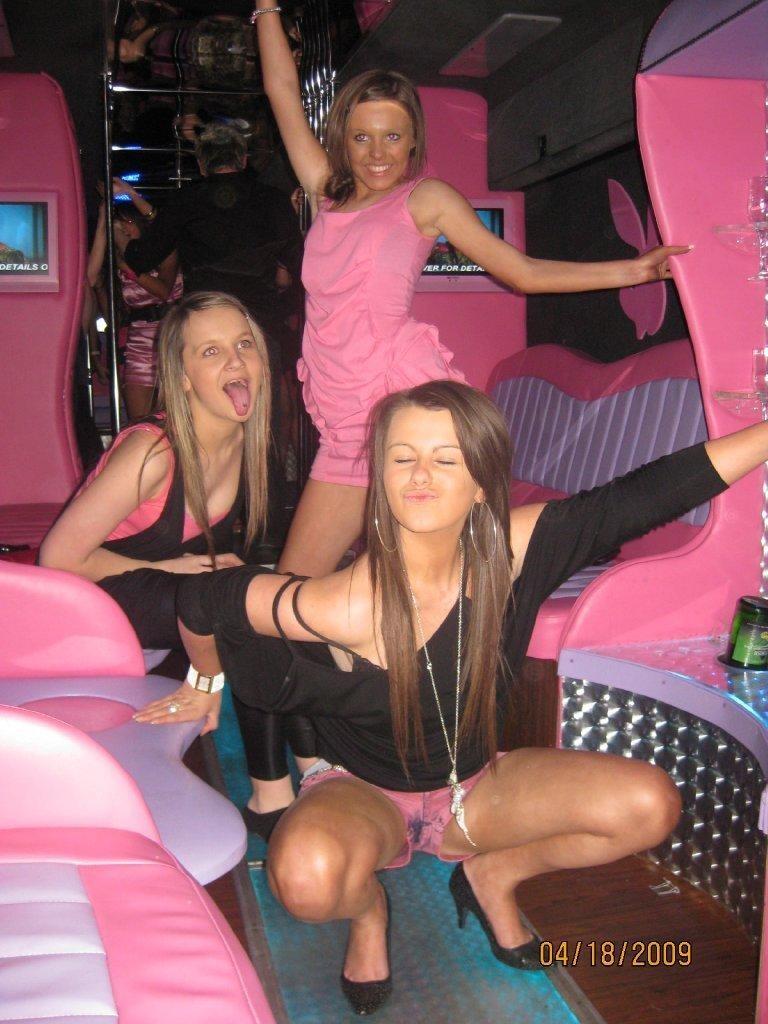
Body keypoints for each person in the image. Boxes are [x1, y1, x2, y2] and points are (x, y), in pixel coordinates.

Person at [135, 378, 765, 1015]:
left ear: (482, 481)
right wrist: (205, 682)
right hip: (363, 793)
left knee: (650, 806)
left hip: (475, 786)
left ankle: (492, 875)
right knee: (303, 881)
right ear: (380, 474)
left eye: (446, 458)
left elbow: (650, 494)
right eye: (402, 456)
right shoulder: (340, 603)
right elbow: (204, 601)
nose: (420, 475)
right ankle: (369, 912)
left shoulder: (512, 550)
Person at [232, 1, 690, 825]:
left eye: (393, 137)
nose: (378, 152)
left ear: (414, 142)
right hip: (342, 429)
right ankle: (328, 752)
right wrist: (267, 8)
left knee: (388, 599)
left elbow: (522, 272)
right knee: (301, 604)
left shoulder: (428, 200)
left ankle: (401, 763)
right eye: (362, 137)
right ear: (344, 142)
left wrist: (636, 270)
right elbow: (280, 92)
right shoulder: (326, 196)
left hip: (400, 426)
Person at [89, 180, 183, 421]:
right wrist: (103, 218)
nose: (124, 230)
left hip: (173, 335)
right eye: (118, 226)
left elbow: (163, 291)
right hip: (140, 341)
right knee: (139, 421)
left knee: (176, 418)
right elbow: (91, 277)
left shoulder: (164, 251)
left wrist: (131, 194)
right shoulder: (118, 267)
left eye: (127, 223)